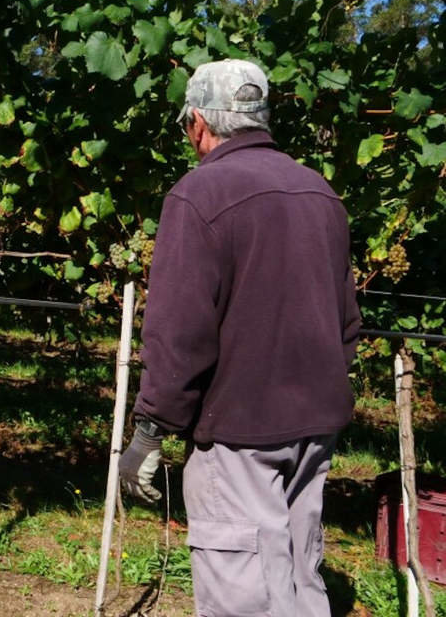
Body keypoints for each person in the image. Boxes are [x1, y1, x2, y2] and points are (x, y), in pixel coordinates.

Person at [118, 59, 361, 616]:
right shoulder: (320, 193)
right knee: (298, 578)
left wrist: (150, 433)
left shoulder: (199, 194)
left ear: (199, 123)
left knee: (245, 594)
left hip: (240, 434)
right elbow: (347, 324)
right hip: (315, 430)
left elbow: (180, 336)